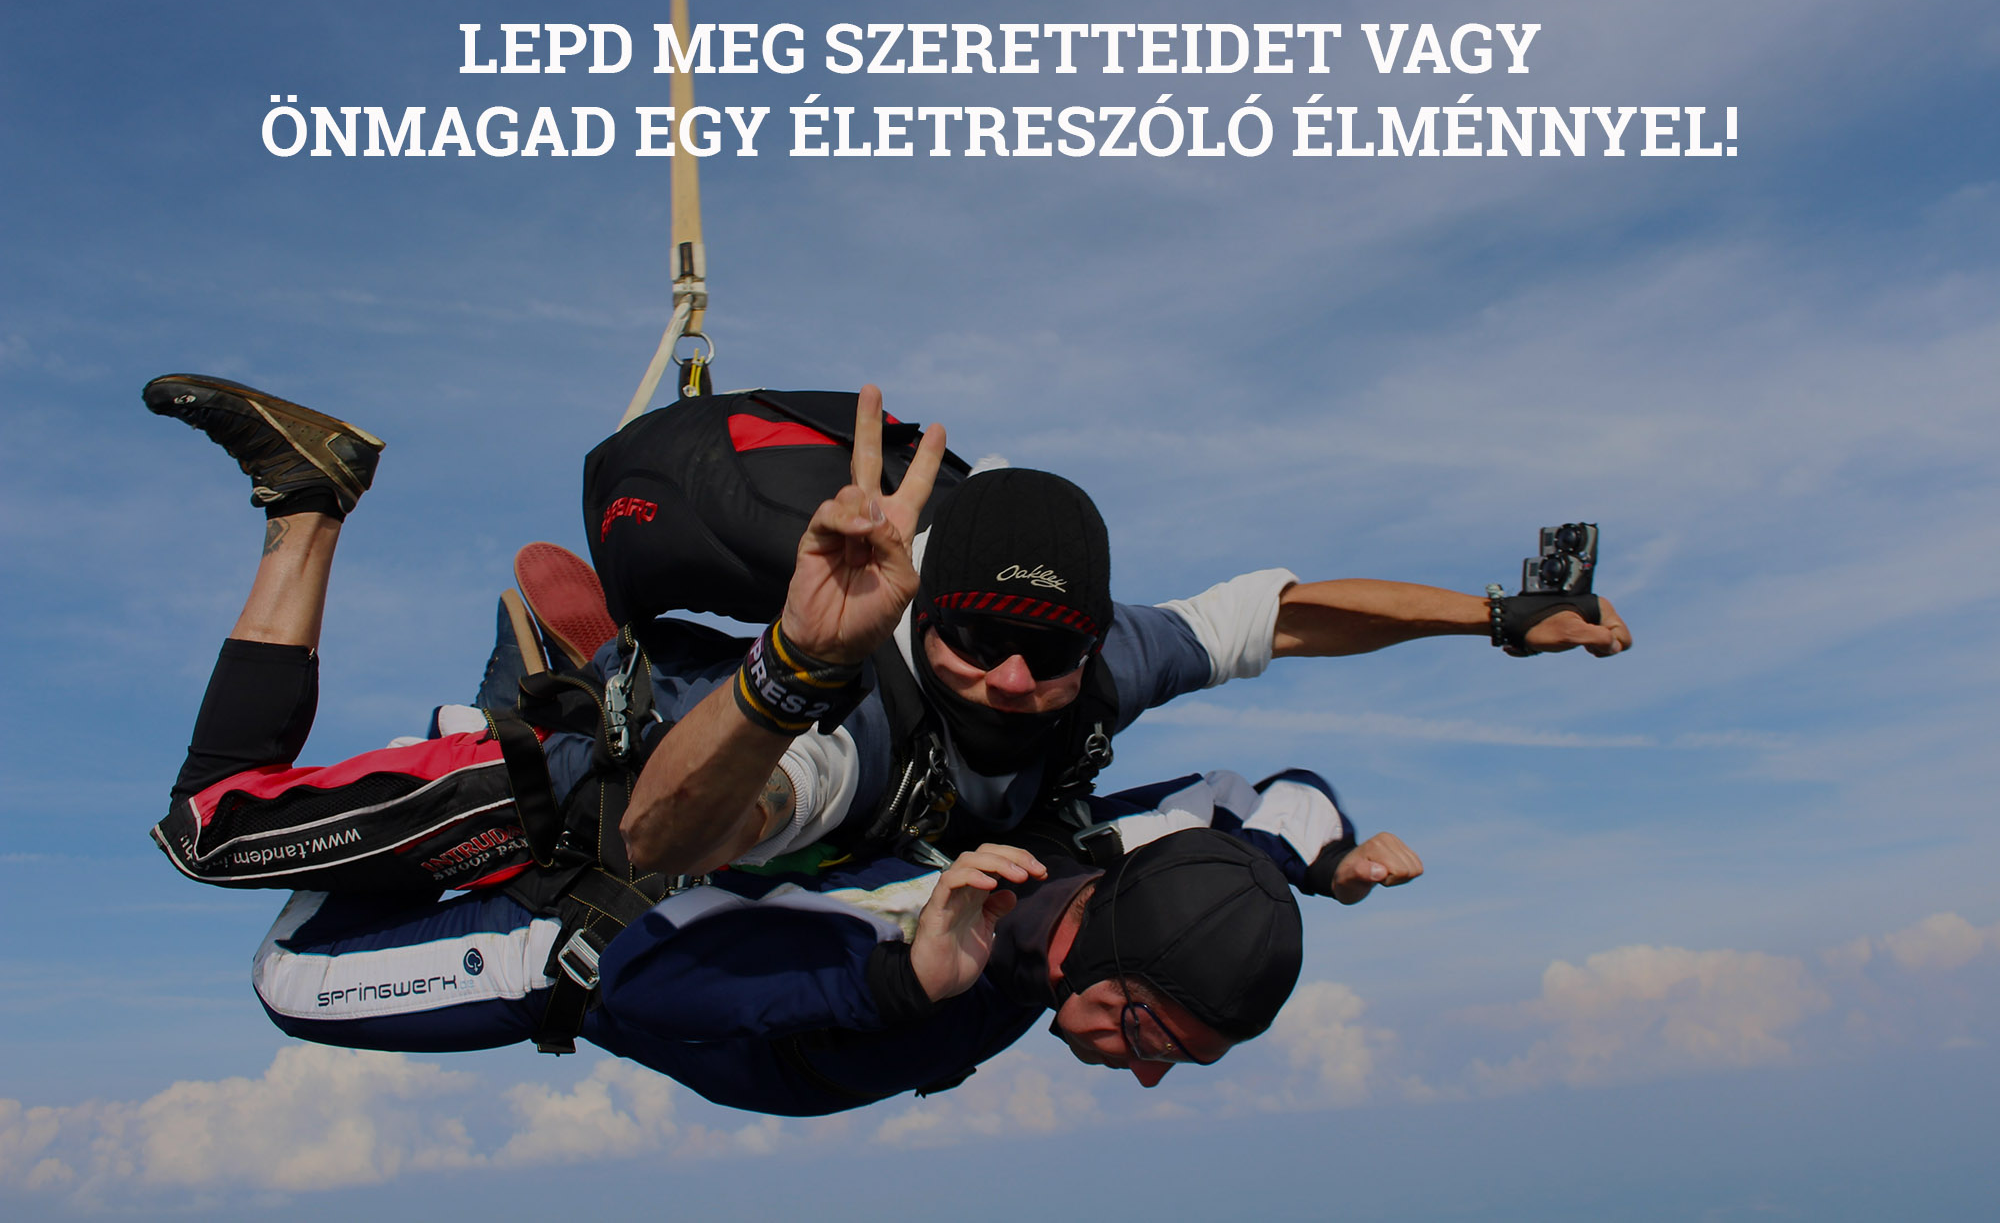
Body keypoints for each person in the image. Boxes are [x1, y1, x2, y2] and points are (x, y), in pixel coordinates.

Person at [142, 374, 1425, 1114]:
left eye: (1169, 1054)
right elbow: (677, 915)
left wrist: (1334, 856)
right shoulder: (940, 912)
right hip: (576, 833)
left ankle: (572, 675)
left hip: (671, 847)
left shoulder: (1114, 829)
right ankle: (316, 508)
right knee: (228, 861)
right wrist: (896, 986)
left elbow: (1268, 799)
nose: (1141, 1073)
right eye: (1147, 1033)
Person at [607, 386, 1631, 878]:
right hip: (778, 743)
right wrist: (795, 667)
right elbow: (667, 844)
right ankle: (612, 680)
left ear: (1091, 638)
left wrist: (1495, 619)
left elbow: (1287, 618)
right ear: (927, 614)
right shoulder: (859, 713)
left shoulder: (1114, 655)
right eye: (977, 641)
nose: (1014, 677)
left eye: (1051, 652)